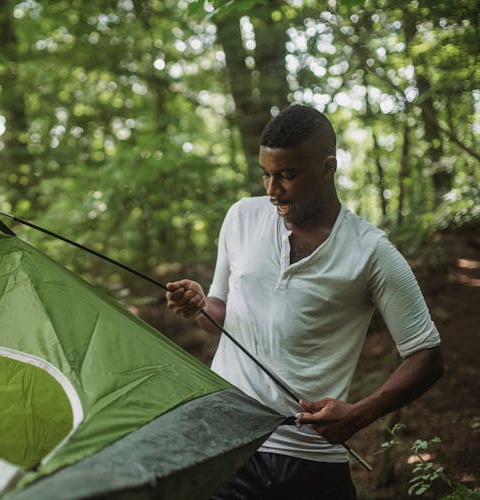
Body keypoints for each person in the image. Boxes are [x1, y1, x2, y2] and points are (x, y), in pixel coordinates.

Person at [165, 104, 444, 499]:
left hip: (309, 457)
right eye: (266, 174)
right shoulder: (241, 218)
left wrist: (359, 414)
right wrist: (199, 305)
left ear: (328, 166)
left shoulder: (371, 252)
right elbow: (221, 318)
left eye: (287, 175)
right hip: (228, 443)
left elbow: (427, 356)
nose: (272, 189)